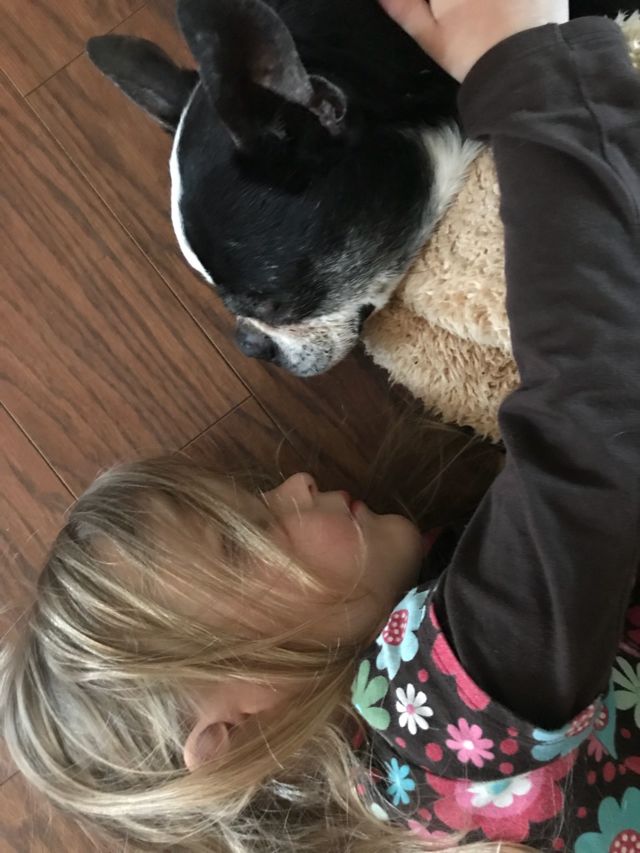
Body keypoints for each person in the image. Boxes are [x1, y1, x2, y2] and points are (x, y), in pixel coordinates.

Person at [2, 0, 640, 850]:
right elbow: (595, 420)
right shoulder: (444, 728)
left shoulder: (414, 758)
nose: (294, 483)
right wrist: (524, 69)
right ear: (237, 730)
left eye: (253, 497)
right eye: (243, 541)